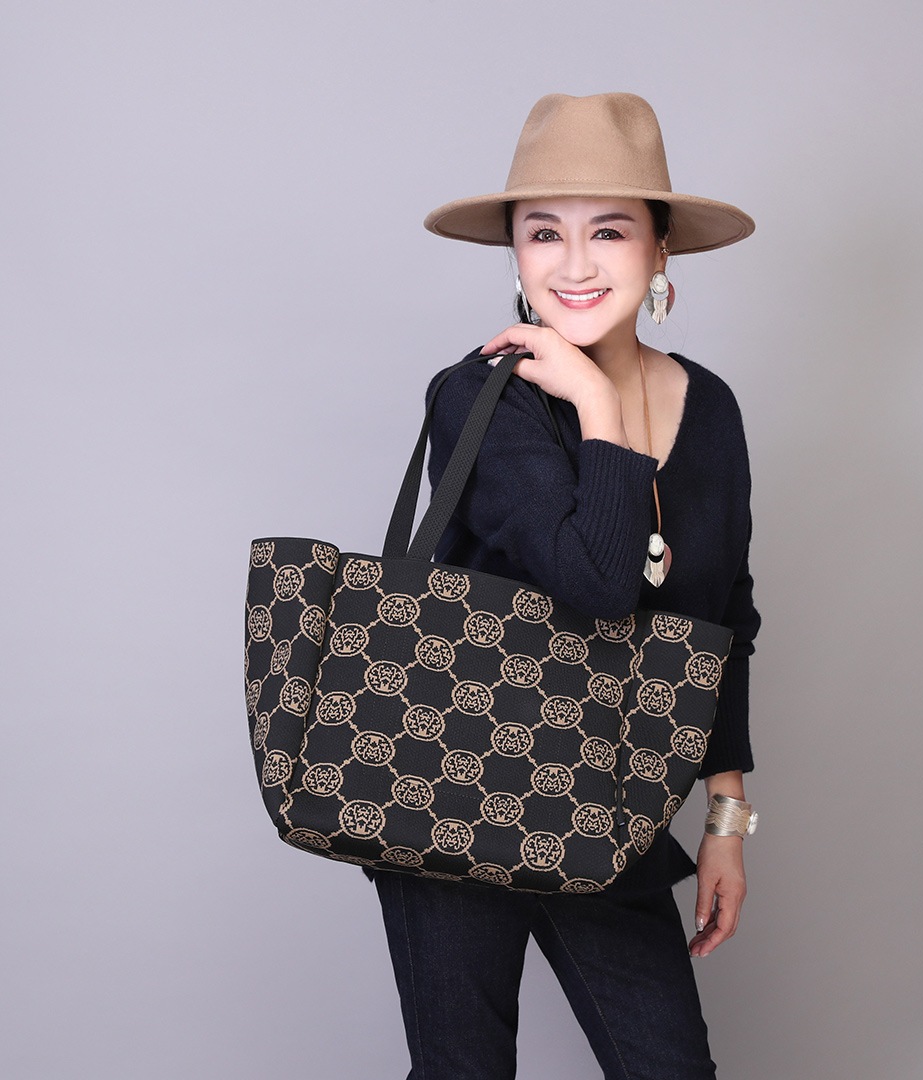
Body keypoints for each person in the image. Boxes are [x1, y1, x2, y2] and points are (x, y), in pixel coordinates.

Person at [372, 92, 761, 1080]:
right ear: (514, 254)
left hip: (611, 805)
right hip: (447, 789)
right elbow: (597, 582)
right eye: (544, 232)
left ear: (661, 250)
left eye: (610, 231)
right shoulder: (482, 394)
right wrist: (594, 397)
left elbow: (727, 620)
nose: (575, 264)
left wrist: (725, 820)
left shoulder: (710, 408)